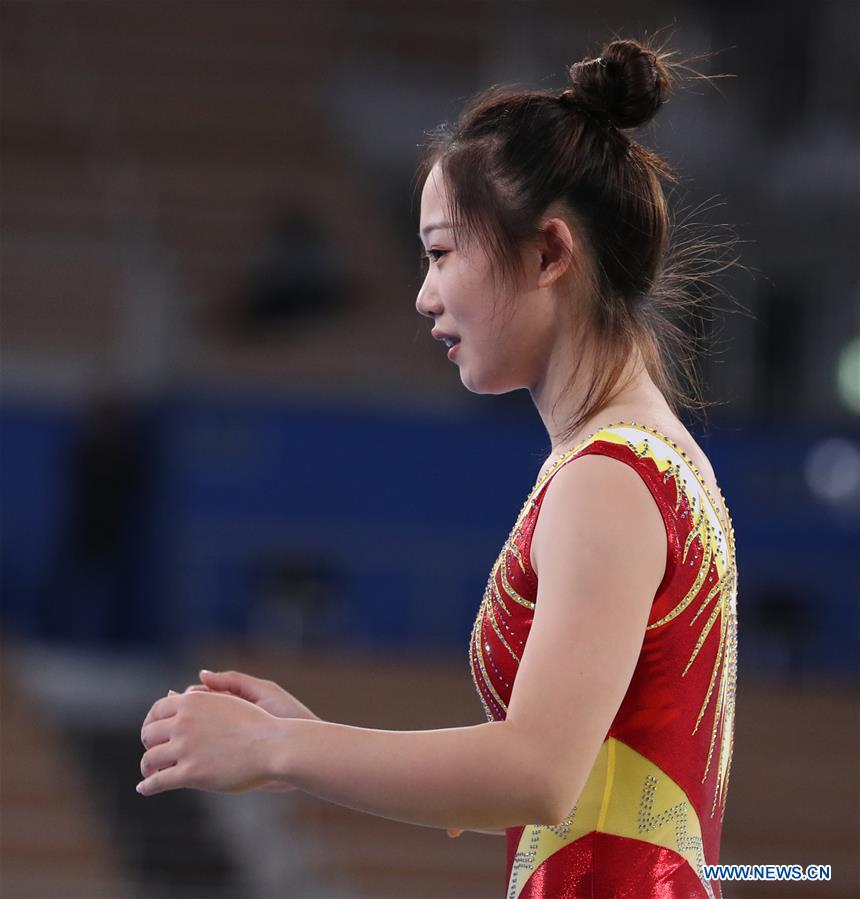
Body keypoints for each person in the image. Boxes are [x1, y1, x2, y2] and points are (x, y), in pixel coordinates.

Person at [138, 34, 739, 899]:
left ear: (548, 254)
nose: (424, 294)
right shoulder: (650, 461)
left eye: (442, 252)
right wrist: (312, 747)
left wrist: (279, 748)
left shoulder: (608, 480)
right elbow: (571, 787)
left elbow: (536, 773)